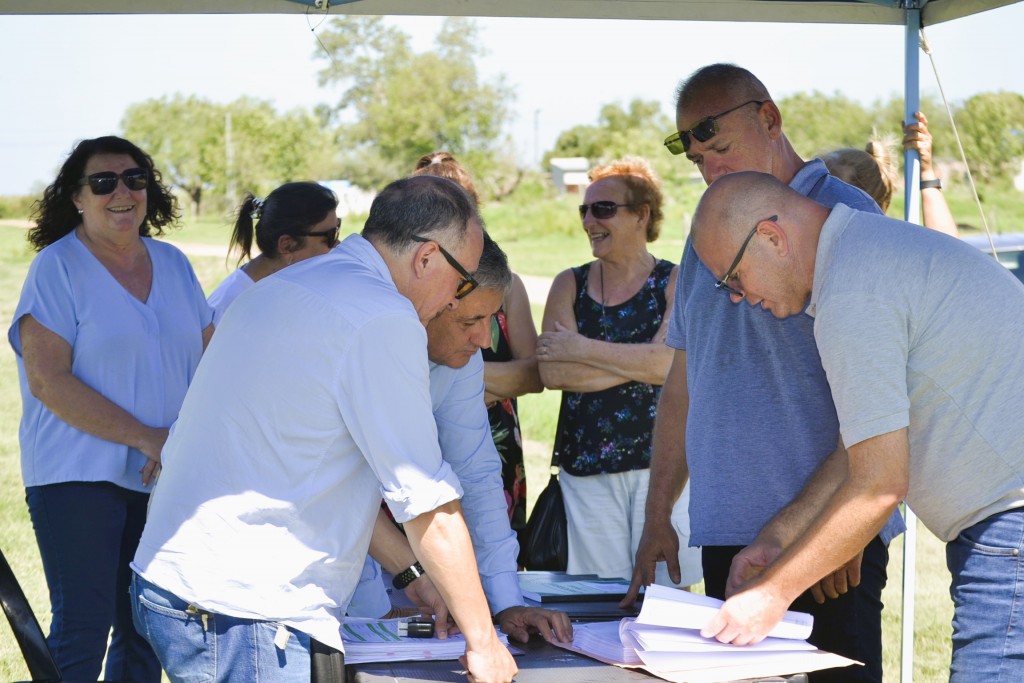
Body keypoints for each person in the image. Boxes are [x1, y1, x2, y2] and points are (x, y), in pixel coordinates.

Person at [130, 175, 517, 683]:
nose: (453, 301)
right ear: (426, 259)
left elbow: (309, 467)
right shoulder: (382, 316)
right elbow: (428, 505)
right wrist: (485, 643)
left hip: (179, 585)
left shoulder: (290, 283)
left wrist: (414, 574)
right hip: (243, 610)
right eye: (462, 282)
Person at [623, 64, 903, 683]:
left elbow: (884, 396)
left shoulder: (844, 218)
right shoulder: (707, 234)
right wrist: (657, 515)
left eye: (719, 148)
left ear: (769, 119)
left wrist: (838, 531)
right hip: (730, 532)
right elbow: (685, 382)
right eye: (697, 160)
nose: (710, 169)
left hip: (830, 545)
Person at [688, 170, 1024, 682]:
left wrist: (770, 595)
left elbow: (879, 486)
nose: (736, 296)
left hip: (1011, 523)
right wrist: (780, 537)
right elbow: (860, 446)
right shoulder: (863, 255)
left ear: (772, 238)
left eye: (733, 277)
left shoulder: (852, 294)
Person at [7, 135, 215, 682]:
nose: (121, 191)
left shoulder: (173, 264)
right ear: (76, 197)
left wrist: (179, 441)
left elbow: (212, 366)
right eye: (103, 182)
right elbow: (49, 381)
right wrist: (146, 436)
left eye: (135, 178)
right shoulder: (57, 268)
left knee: (150, 628)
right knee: (83, 625)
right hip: (76, 475)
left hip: (163, 475)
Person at [349, 233, 572, 645]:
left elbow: (478, 474)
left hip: (399, 563)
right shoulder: (368, 342)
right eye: (470, 321)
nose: (485, 340)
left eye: (491, 319)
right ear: (428, 306)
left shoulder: (460, 360)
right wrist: (373, 609)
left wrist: (506, 601)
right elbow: (351, 487)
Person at [537, 156, 701, 588]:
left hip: (666, 468)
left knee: (669, 598)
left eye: (603, 209)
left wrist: (581, 349)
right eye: (585, 210)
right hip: (587, 471)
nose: (590, 220)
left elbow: (669, 364)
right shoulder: (567, 284)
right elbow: (553, 373)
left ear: (642, 214)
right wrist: (644, 363)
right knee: (599, 601)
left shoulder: (674, 280)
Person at [412, 152, 543, 551]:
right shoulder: (409, 299)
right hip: (417, 448)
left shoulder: (505, 283)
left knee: (488, 541)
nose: (482, 339)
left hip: (492, 440)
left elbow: (535, 375)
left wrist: (452, 386)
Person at [207, 181, 340, 324]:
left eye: (338, 228)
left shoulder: (281, 289)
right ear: (287, 245)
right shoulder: (230, 306)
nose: (337, 244)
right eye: (330, 236)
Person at [821, 110, 958, 237]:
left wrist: (927, 173)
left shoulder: (884, 245)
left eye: (826, 191)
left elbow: (952, 254)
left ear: (865, 203)